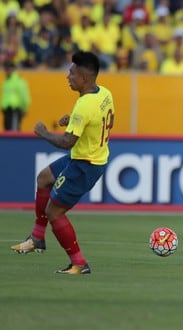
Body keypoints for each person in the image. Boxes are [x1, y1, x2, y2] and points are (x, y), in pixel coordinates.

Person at [10, 51, 115, 275]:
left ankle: (79, 263)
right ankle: (37, 238)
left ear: (85, 78)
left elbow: (67, 141)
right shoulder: (104, 93)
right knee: (44, 178)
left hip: (85, 164)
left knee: (54, 213)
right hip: (86, 155)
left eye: (72, 73)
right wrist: (76, 120)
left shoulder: (84, 105)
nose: (68, 76)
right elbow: (106, 119)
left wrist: (44, 133)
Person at [1, 61, 31, 131]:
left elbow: (25, 97)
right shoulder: (6, 81)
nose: (6, 71)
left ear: (13, 69)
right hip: (6, 110)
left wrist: (24, 108)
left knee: (14, 131)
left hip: (15, 110)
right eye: (6, 69)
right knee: (7, 132)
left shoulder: (19, 81)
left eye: (8, 69)